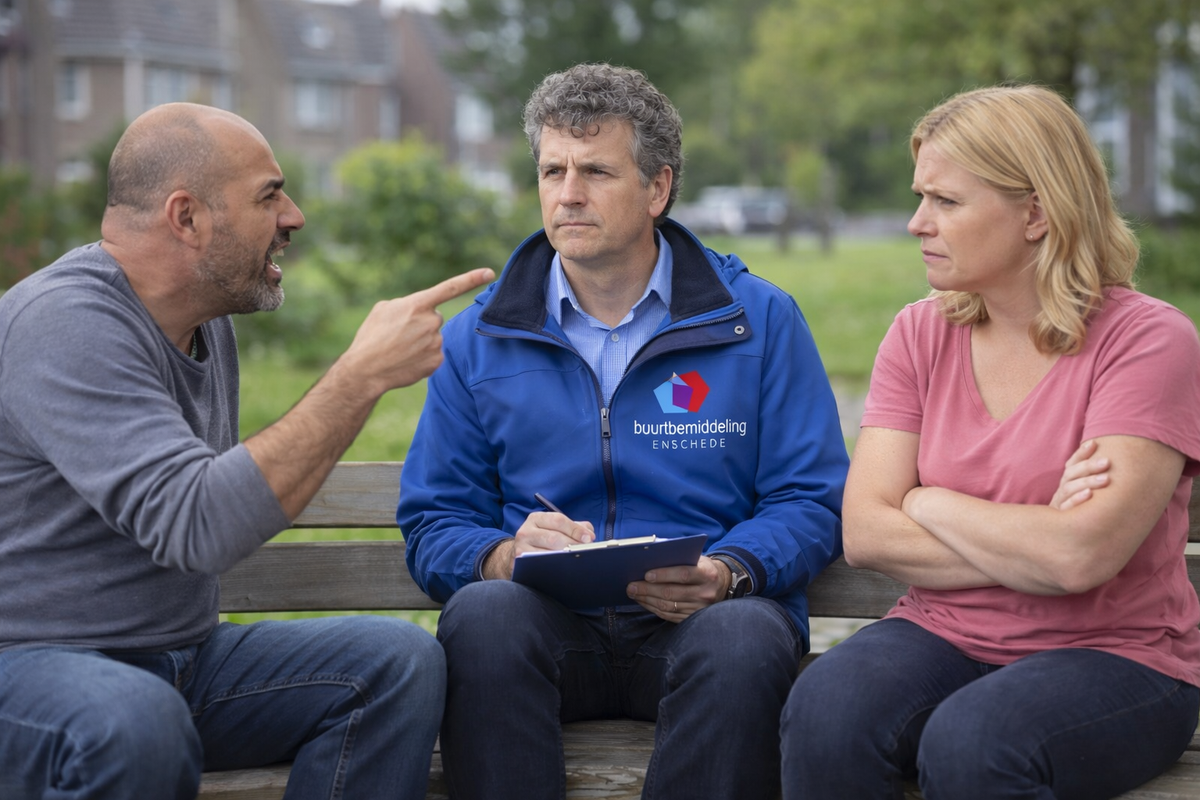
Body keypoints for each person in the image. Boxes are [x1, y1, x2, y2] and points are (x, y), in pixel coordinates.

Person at [0, 102, 493, 800]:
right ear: (187, 217)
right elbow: (197, 526)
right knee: (134, 722)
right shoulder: (63, 325)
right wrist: (359, 377)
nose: (294, 216)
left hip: (181, 662)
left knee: (396, 662)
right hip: (28, 669)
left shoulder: (203, 325)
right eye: (269, 195)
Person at [397, 62, 848, 800]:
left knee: (745, 636)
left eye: (597, 171)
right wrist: (504, 555)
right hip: (547, 632)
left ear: (658, 188)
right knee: (483, 616)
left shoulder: (759, 320)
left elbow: (811, 497)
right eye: (552, 170)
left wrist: (729, 571)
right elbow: (434, 517)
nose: (567, 193)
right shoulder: (478, 337)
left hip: (700, 626)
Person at [780, 84, 1200, 799]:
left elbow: (1079, 556)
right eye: (920, 197)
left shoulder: (1148, 341)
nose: (917, 223)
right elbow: (867, 532)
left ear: (1036, 212)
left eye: (945, 202)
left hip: (1119, 657)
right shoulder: (919, 333)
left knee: (974, 742)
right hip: (941, 631)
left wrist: (929, 499)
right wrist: (1032, 538)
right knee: (824, 709)